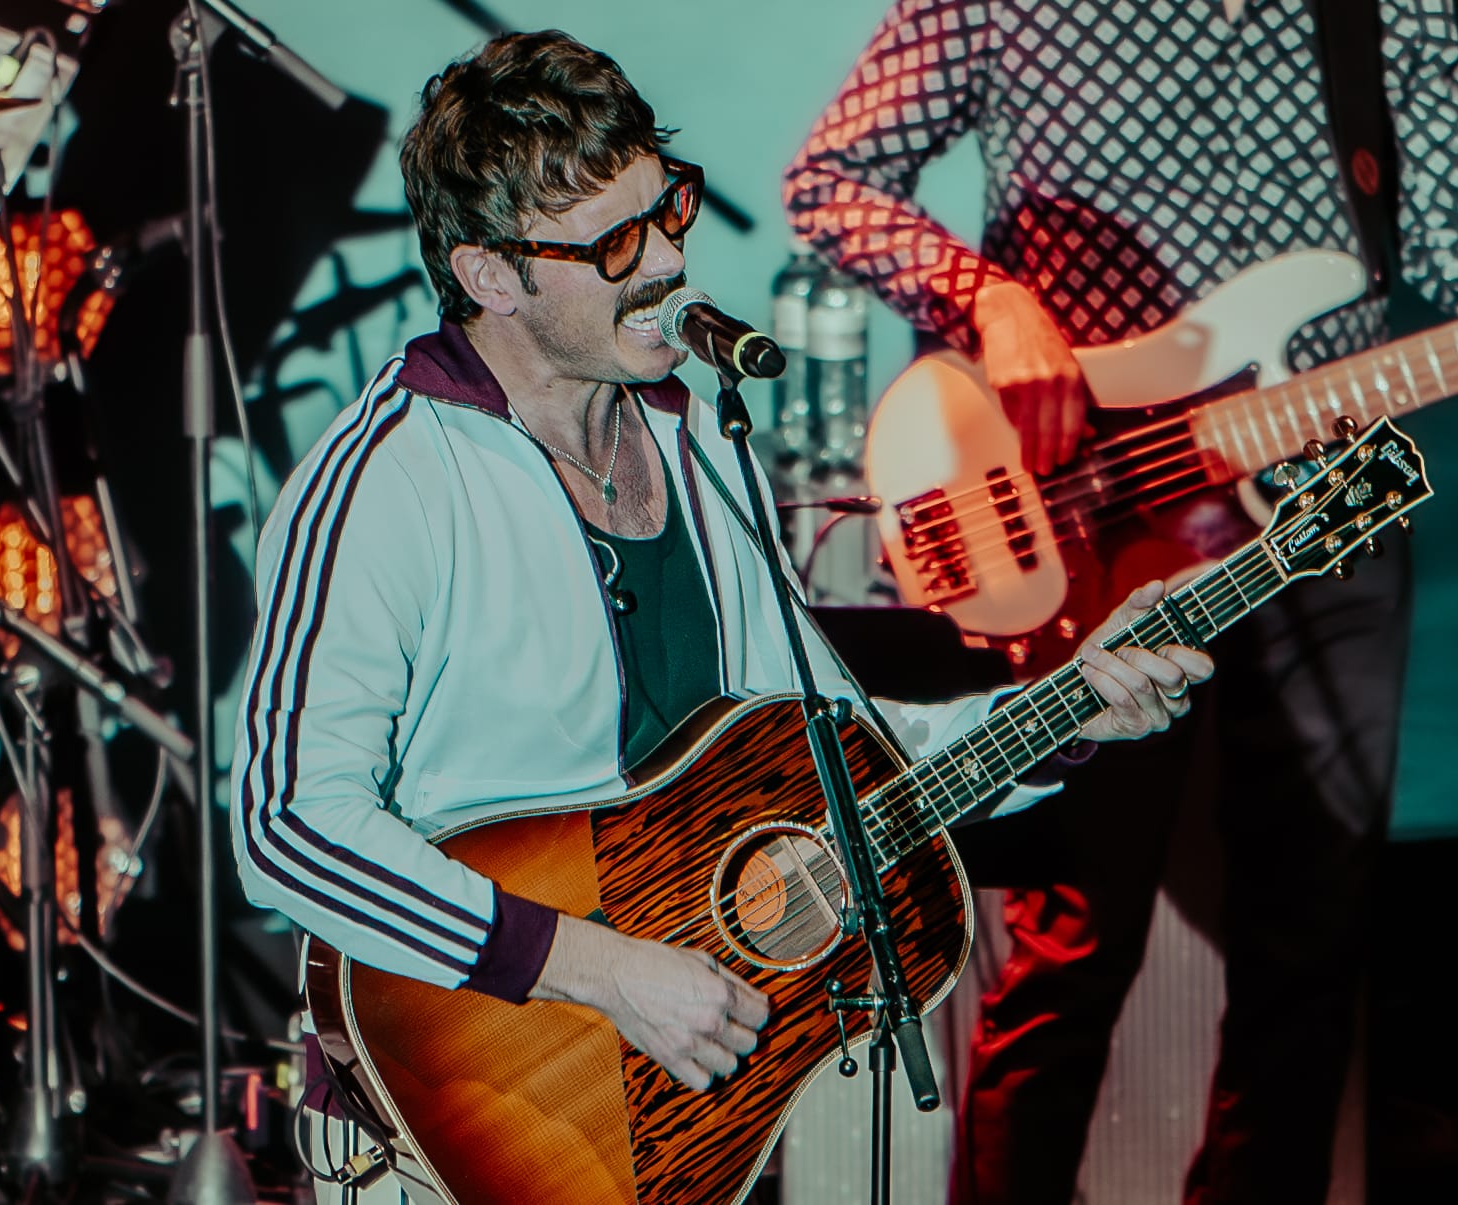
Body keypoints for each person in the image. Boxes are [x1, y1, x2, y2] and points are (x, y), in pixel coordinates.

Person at [230, 30, 1212, 1204]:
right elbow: (288, 824)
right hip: (465, 1111)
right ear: (490, 275)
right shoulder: (385, 479)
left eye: (669, 210)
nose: (665, 260)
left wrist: (1064, 709)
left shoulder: (695, 438)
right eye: (612, 243)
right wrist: (600, 970)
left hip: (688, 1106)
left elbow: (838, 751)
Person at [782, 2, 1458, 1203]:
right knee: (1074, 951)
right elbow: (830, 178)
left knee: (1313, 950)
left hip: (1332, 511)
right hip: (1087, 513)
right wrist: (990, 300)